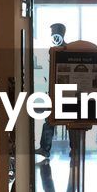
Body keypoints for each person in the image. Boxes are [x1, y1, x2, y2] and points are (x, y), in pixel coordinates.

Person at [37, 22, 66, 160]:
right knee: (51, 121)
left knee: (50, 121)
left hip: (60, 93)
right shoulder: (60, 49)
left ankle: (45, 149)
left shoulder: (59, 50)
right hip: (58, 92)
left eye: (53, 32)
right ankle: (45, 148)